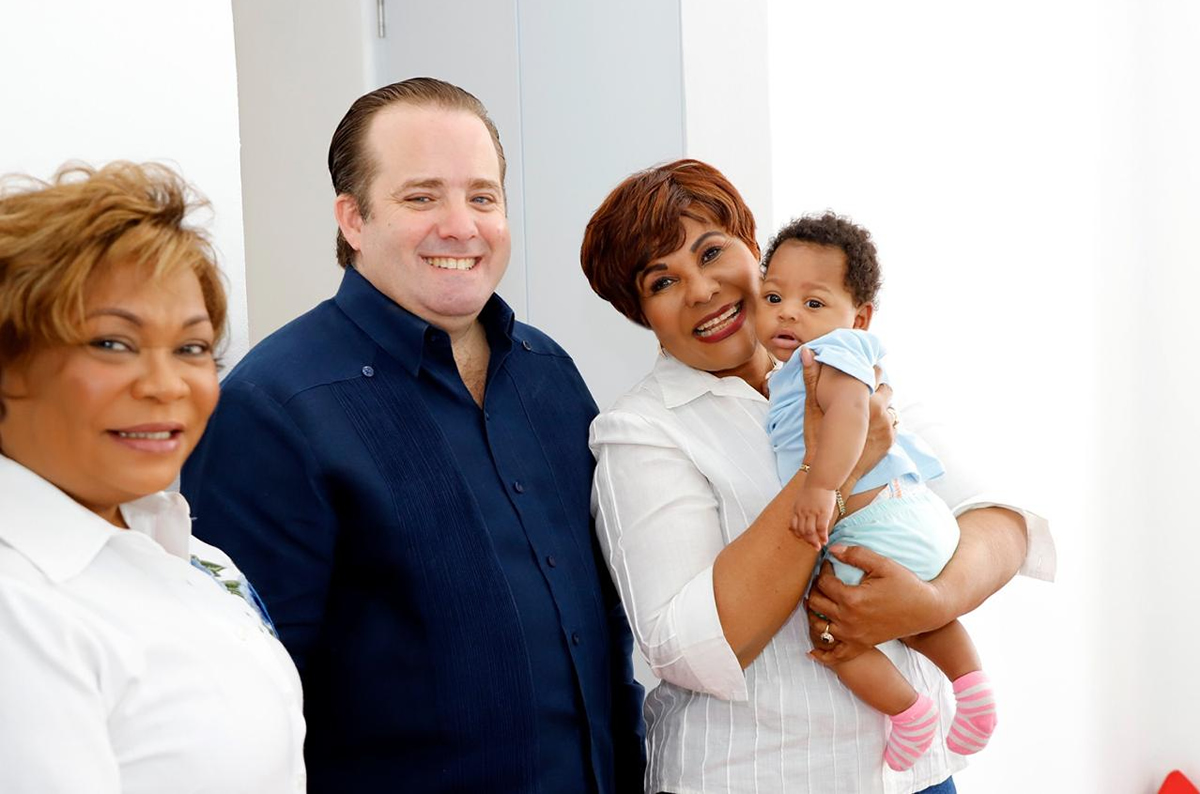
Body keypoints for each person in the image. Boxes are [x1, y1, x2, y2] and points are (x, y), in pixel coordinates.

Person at [180, 77, 645, 792]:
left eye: (482, 197)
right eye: (421, 196)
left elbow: (608, 623)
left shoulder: (550, 376)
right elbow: (250, 698)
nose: (461, 226)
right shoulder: (272, 407)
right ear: (353, 219)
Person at [579, 158, 1055, 793]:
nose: (701, 290)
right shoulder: (639, 432)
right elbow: (689, 649)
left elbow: (999, 520)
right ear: (641, 314)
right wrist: (828, 469)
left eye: (712, 251)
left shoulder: (840, 360)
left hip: (916, 774)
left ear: (756, 250)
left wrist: (931, 603)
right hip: (758, 775)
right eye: (662, 281)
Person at [0, 162, 306, 793]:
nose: (166, 386)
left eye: (191, 348)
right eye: (113, 344)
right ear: (11, 365)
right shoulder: (19, 602)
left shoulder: (182, 547)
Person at [757, 212, 995, 771]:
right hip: (912, 517)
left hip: (873, 525)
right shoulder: (801, 364)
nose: (788, 311)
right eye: (773, 296)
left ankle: (909, 711)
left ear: (857, 317)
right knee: (918, 616)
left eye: (813, 303)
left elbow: (850, 414)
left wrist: (820, 485)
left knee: (828, 625)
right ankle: (973, 687)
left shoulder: (832, 354)